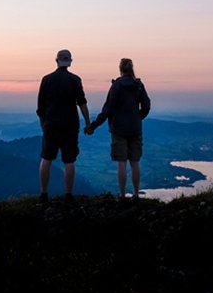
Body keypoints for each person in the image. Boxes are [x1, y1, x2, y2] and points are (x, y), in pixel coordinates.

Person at [86, 58, 151, 199]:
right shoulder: (139, 85)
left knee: (121, 162)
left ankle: (121, 195)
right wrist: (138, 117)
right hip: (135, 128)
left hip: (119, 129)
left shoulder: (116, 86)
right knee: (135, 163)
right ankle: (135, 194)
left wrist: (93, 126)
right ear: (132, 69)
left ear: (120, 69)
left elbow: (107, 109)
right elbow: (146, 106)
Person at [36, 48, 91, 204]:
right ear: (70, 62)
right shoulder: (75, 80)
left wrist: (43, 125)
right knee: (69, 160)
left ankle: (43, 194)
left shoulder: (46, 80)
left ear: (56, 61)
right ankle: (68, 195)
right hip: (70, 125)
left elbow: (40, 107)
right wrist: (88, 123)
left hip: (51, 124)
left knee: (46, 158)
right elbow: (82, 103)